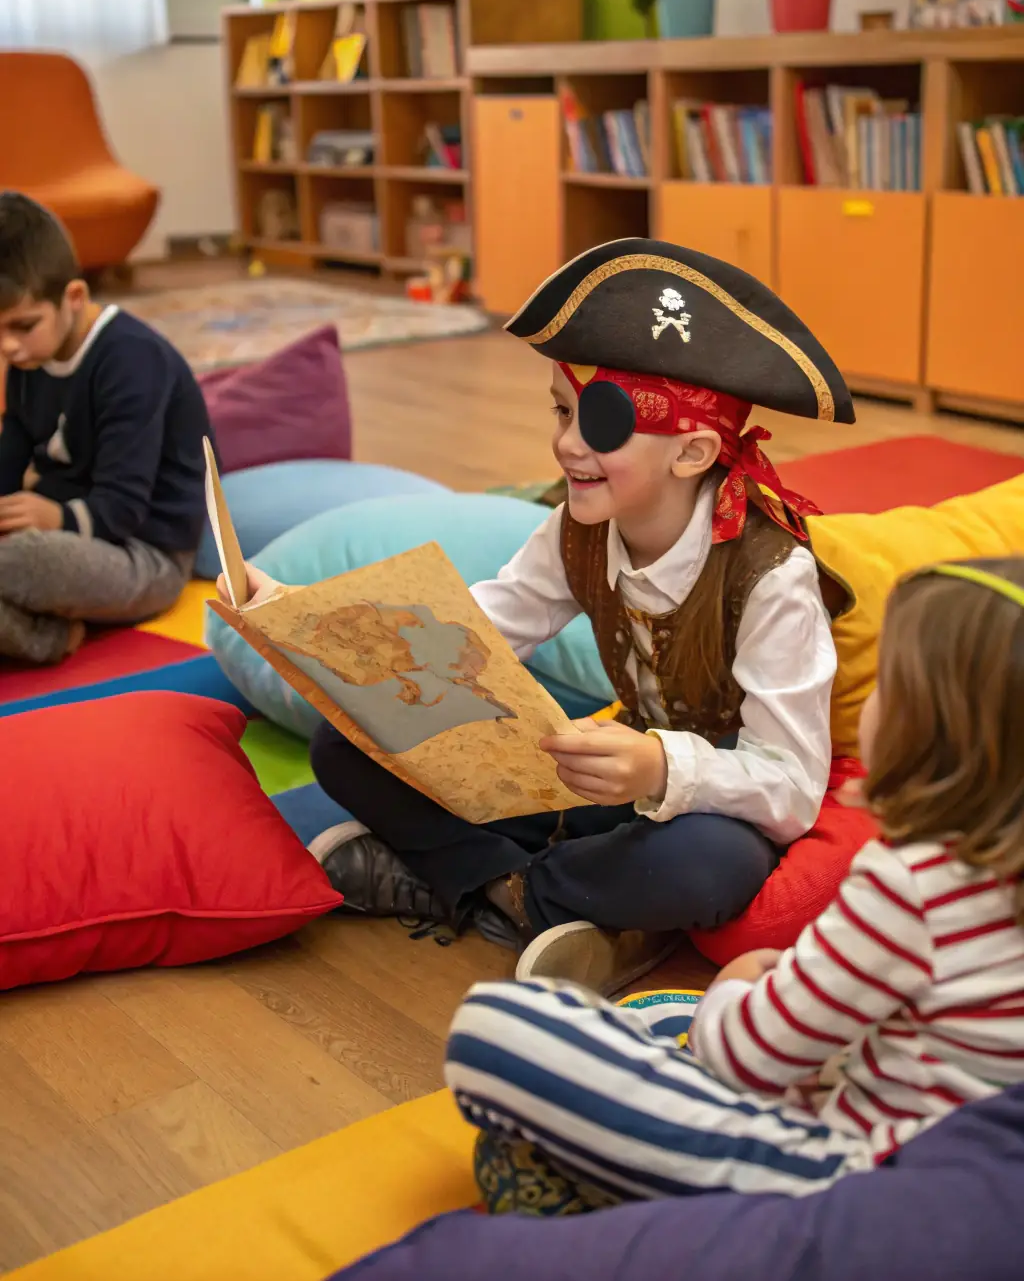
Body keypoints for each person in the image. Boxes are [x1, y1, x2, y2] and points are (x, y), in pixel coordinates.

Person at [230, 237, 855, 991]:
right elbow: (482, 630)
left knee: (708, 867)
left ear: (690, 453)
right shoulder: (578, 528)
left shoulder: (771, 576)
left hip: (708, 797)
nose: (565, 444)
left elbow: (788, 786)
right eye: (561, 410)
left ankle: (479, 881)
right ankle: (529, 896)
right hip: (610, 779)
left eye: (598, 422)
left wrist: (659, 767)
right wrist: (318, 624)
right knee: (343, 744)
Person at [445, 557, 1024, 1206]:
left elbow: (742, 1058)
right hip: (983, 1163)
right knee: (670, 1015)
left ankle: (621, 1189)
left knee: (497, 1028)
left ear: (928, 729)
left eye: (886, 683)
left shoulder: (908, 882)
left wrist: (739, 980)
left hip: (864, 1187)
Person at [0, 192, 211, 664]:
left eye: (22, 325)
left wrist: (55, 520)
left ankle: (47, 639)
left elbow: (123, 509)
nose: (8, 347)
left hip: (143, 555)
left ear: (73, 297)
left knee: (29, 560)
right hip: (65, 537)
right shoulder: (29, 357)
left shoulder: (131, 360)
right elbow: (10, 457)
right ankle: (39, 627)